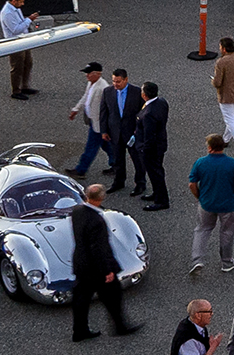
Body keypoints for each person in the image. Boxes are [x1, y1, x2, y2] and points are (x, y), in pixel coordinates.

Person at [70, 184, 137, 340]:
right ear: (101, 198)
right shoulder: (96, 221)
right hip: (96, 268)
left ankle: (79, 331)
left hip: (81, 263)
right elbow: (99, 249)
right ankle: (120, 326)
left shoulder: (77, 211)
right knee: (113, 296)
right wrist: (107, 270)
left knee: (81, 298)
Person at [186, 133, 234, 277]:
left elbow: (192, 184)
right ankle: (226, 262)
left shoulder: (201, 163)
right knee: (226, 232)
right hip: (227, 205)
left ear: (210, 148)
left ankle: (197, 261)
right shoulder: (232, 164)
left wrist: (199, 197)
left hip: (206, 204)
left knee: (202, 230)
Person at [131, 81, 172, 210]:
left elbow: (149, 135)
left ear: (144, 95)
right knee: (157, 171)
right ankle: (157, 193)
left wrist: (144, 150)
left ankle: (161, 201)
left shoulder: (148, 113)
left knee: (155, 173)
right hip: (160, 144)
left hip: (151, 149)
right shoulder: (161, 102)